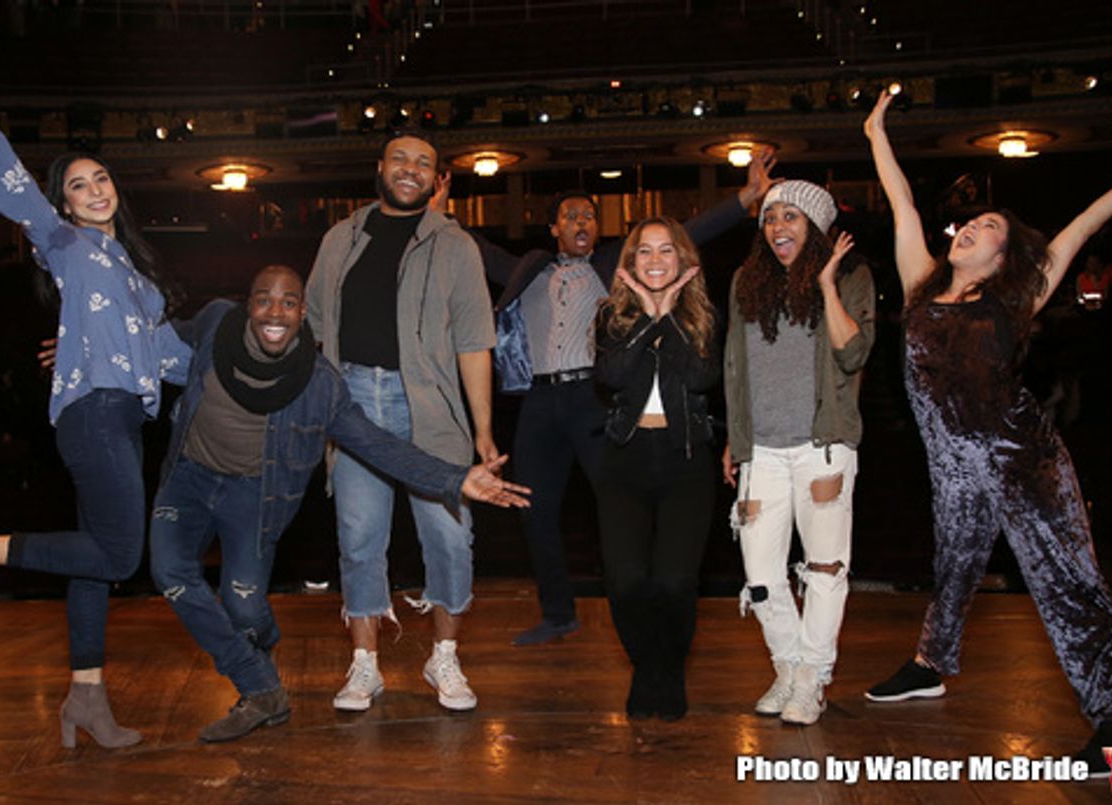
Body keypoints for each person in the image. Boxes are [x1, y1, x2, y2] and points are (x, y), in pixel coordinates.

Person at [860, 89, 1112, 772]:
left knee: (1069, 585)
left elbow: (1080, 229)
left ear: (1005, 257)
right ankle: (928, 665)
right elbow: (903, 204)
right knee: (951, 572)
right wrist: (874, 133)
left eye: (989, 227)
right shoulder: (919, 283)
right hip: (953, 472)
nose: (972, 227)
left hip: (1021, 460)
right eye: (970, 222)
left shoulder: (1016, 299)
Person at [0, 53, 192, 749]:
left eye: (100, 177)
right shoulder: (64, 242)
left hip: (120, 415)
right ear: (62, 204)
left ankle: (86, 698)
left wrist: (262, 357)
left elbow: (175, 357)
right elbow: (3, 174)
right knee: (120, 555)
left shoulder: (135, 272)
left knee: (93, 564)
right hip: (93, 414)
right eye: (77, 185)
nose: (93, 189)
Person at [148, 265, 530, 742]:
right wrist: (91, 348)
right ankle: (260, 685)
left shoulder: (319, 383)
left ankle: (258, 642)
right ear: (248, 304)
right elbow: (159, 340)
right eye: (263, 299)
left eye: (289, 303)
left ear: (304, 312)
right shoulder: (215, 323)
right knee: (170, 573)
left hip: (254, 493)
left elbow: (377, 444)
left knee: (243, 608)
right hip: (190, 477)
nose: (275, 312)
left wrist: (455, 479)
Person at [437, 153, 777, 647]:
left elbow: (689, 233)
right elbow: (477, 250)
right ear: (554, 227)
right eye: (571, 215)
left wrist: (746, 198)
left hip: (594, 399)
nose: (581, 221)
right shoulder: (529, 269)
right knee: (533, 508)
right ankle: (558, 614)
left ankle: (643, 598)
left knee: (622, 503)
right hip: (539, 403)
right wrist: (444, 213)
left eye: (589, 216)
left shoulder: (614, 265)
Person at [305, 129, 497, 712]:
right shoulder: (340, 239)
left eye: (424, 163)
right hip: (354, 404)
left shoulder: (456, 246)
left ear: (437, 179)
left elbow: (473, 342)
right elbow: (311, 331)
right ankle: (365, 665)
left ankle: (444, 658)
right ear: (380, 167)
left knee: (449, 538)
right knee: (359, 539)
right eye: (400, 159)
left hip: (431, 409)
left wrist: (484, 431)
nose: (410, 169)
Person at [722, 179, 875, 726]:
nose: (778, 227)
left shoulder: (852, 276)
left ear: (814, 225)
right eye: (769, 217)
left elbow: (854, 352)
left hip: (824, 447)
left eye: (790, 216)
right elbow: (735, 368)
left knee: (824, 569)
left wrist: (828, 284)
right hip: (760, 450)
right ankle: (788, 667)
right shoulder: (746, 282)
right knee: (760, 572)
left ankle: (812, 678)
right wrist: (735, 440)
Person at [593, 217, 720, 722]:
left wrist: (669, 315)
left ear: (683, 260)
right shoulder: (612, 316)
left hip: (686, 460)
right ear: (631, 263)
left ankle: (668, 670)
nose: (654, 260)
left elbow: (701, 375)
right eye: (643, 252)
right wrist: (648, 315)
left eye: (665, 251)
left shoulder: (703, 315)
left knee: (674, 582)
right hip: (624, 459)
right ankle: (648, 667)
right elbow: (611, 375)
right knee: (625, 582)